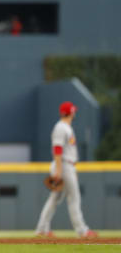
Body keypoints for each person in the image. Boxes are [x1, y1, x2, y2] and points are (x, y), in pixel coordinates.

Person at [35, 101, 98, 238]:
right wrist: (58, 170)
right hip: (63, 165)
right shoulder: (61, 127)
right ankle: (82, 231)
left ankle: (42, 229)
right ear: (70, 112)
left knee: (55, 198)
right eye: (73, 110)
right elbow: (57, 149)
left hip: (65, 165)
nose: (75, 112)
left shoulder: (65, 127)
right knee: (74, 198)